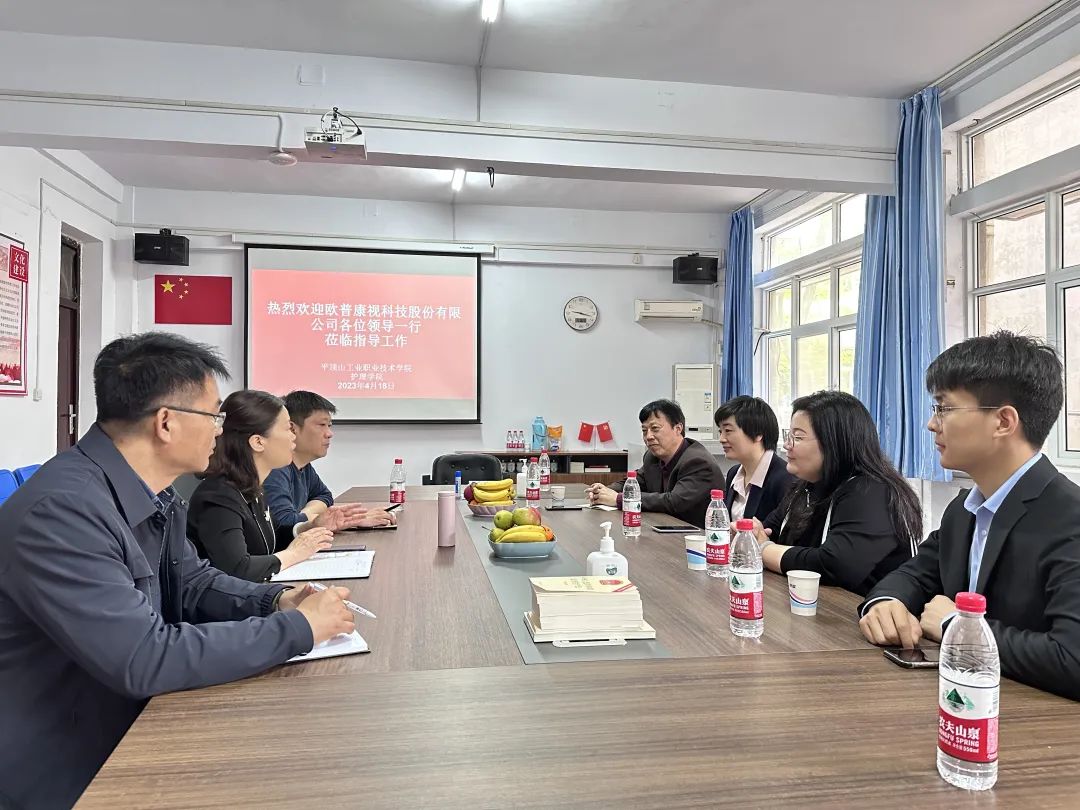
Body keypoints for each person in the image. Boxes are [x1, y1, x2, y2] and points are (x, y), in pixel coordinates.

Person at [0, 333, 357, 809]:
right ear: (166, 423)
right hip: (70, 765)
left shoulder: (153, 491)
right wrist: (298, 629)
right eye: (214, 416)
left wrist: (275, 600)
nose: (220, 431)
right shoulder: (63, 512)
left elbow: (192, 582)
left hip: (133, 724)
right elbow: (143, 658)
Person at [859, 332, 1080, 701]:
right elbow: (913, 574)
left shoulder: (1069, 517)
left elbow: (1072, 658)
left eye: (944, 408)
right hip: (959, 702)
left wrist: (955, 626)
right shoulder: (965, 509)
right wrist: (885, 603)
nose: (932, 424)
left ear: (1003, 421)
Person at [754, 391, 922, 596]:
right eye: (788, 435)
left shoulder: (872, 491)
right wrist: (751, 534)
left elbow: (835, 565)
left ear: (835, 442)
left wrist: (765, 550)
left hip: (856, 611)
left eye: (797, 437)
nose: (787, 445)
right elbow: (767, 531)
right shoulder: (805, 487)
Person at [188, 390, 353, 582]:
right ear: (258, 442)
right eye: (287, 429)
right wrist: (294, 554)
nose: (293, 437)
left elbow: (270, 541)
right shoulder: (219, 496)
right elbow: (238, 569)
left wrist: (309, 527)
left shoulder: (251, 486)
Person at [264, 390, 390, 543]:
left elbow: (325, 496)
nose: (329, 433)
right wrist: (316, 519)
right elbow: (284, 523)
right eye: (322, 425)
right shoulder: (275, 468)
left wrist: (306, 514)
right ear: (292, 428)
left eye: (329, 425)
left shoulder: (303, 466)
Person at [587, 399, 725, 527]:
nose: (648, 437)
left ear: (678, 428)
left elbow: (673, 501)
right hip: (663, 529)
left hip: (695, 537)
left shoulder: (698, 461)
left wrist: (618, 499)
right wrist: (603, 491)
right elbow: (634, 482)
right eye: (644, 431)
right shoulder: (652, 456)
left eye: (655, 429)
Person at [714, 395, 797, 523]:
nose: (721, 439)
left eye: (728, 430)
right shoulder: (733, 473)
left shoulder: (785, 479)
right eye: (720, 432)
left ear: (758, 433)